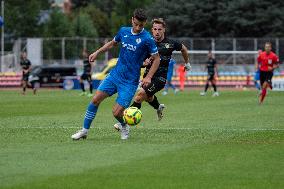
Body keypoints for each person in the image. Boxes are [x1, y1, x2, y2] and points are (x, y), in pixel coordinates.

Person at [71, 8, 160, 140]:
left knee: (117, 112)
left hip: (130, 82)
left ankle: (124, 125)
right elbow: (112, 43)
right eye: (135, 24)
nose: (137, 27)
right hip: (115, 75)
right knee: (95, 100)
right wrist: (97, 52)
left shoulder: (147, 38)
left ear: (145, 23)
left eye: (140, 25)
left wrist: (148, 76)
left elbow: (157, 59)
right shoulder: (123, 31)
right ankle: (84, 130)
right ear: (132, 20)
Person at [129, 18, 190, 121]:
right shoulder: (147, 43)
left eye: (159, 29)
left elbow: (184, 49)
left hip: (160, 78)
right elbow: (139, 61)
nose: (157, 32)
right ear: (152, 30)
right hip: (147, 76)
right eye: (155, 29)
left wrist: (187, 63)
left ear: (164, 30)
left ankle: (125, 122)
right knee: (148, 97)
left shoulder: (170, 43)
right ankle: (158, 107)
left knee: (139, 96)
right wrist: (144, 63)